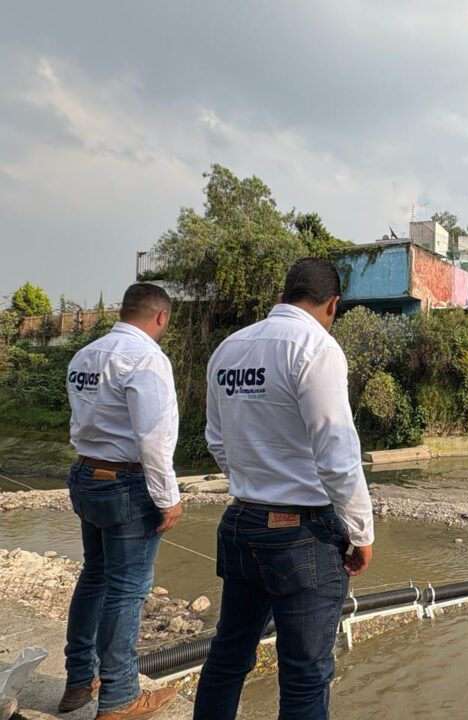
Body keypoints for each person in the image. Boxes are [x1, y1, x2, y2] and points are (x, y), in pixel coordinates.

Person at [194, 257, 375, 720]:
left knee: (228, 656)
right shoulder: (317, 348)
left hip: (241, 522)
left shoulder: (229, 349)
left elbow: (216, 438)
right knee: (305, 674)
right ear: (332, 305)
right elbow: (336, 452)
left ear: (282, 297)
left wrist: (253, 480)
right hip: (302, 537)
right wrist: (360, 531)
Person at [60, 283, 182, 719]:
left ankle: (79, 681)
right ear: (161, 317)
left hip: (87, 475)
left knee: (95, 576)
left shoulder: (86, 355)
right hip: (126, 485)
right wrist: (168, 498)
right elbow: (152, 436)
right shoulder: (147, 358)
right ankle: (119, 697)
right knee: (127, 591)